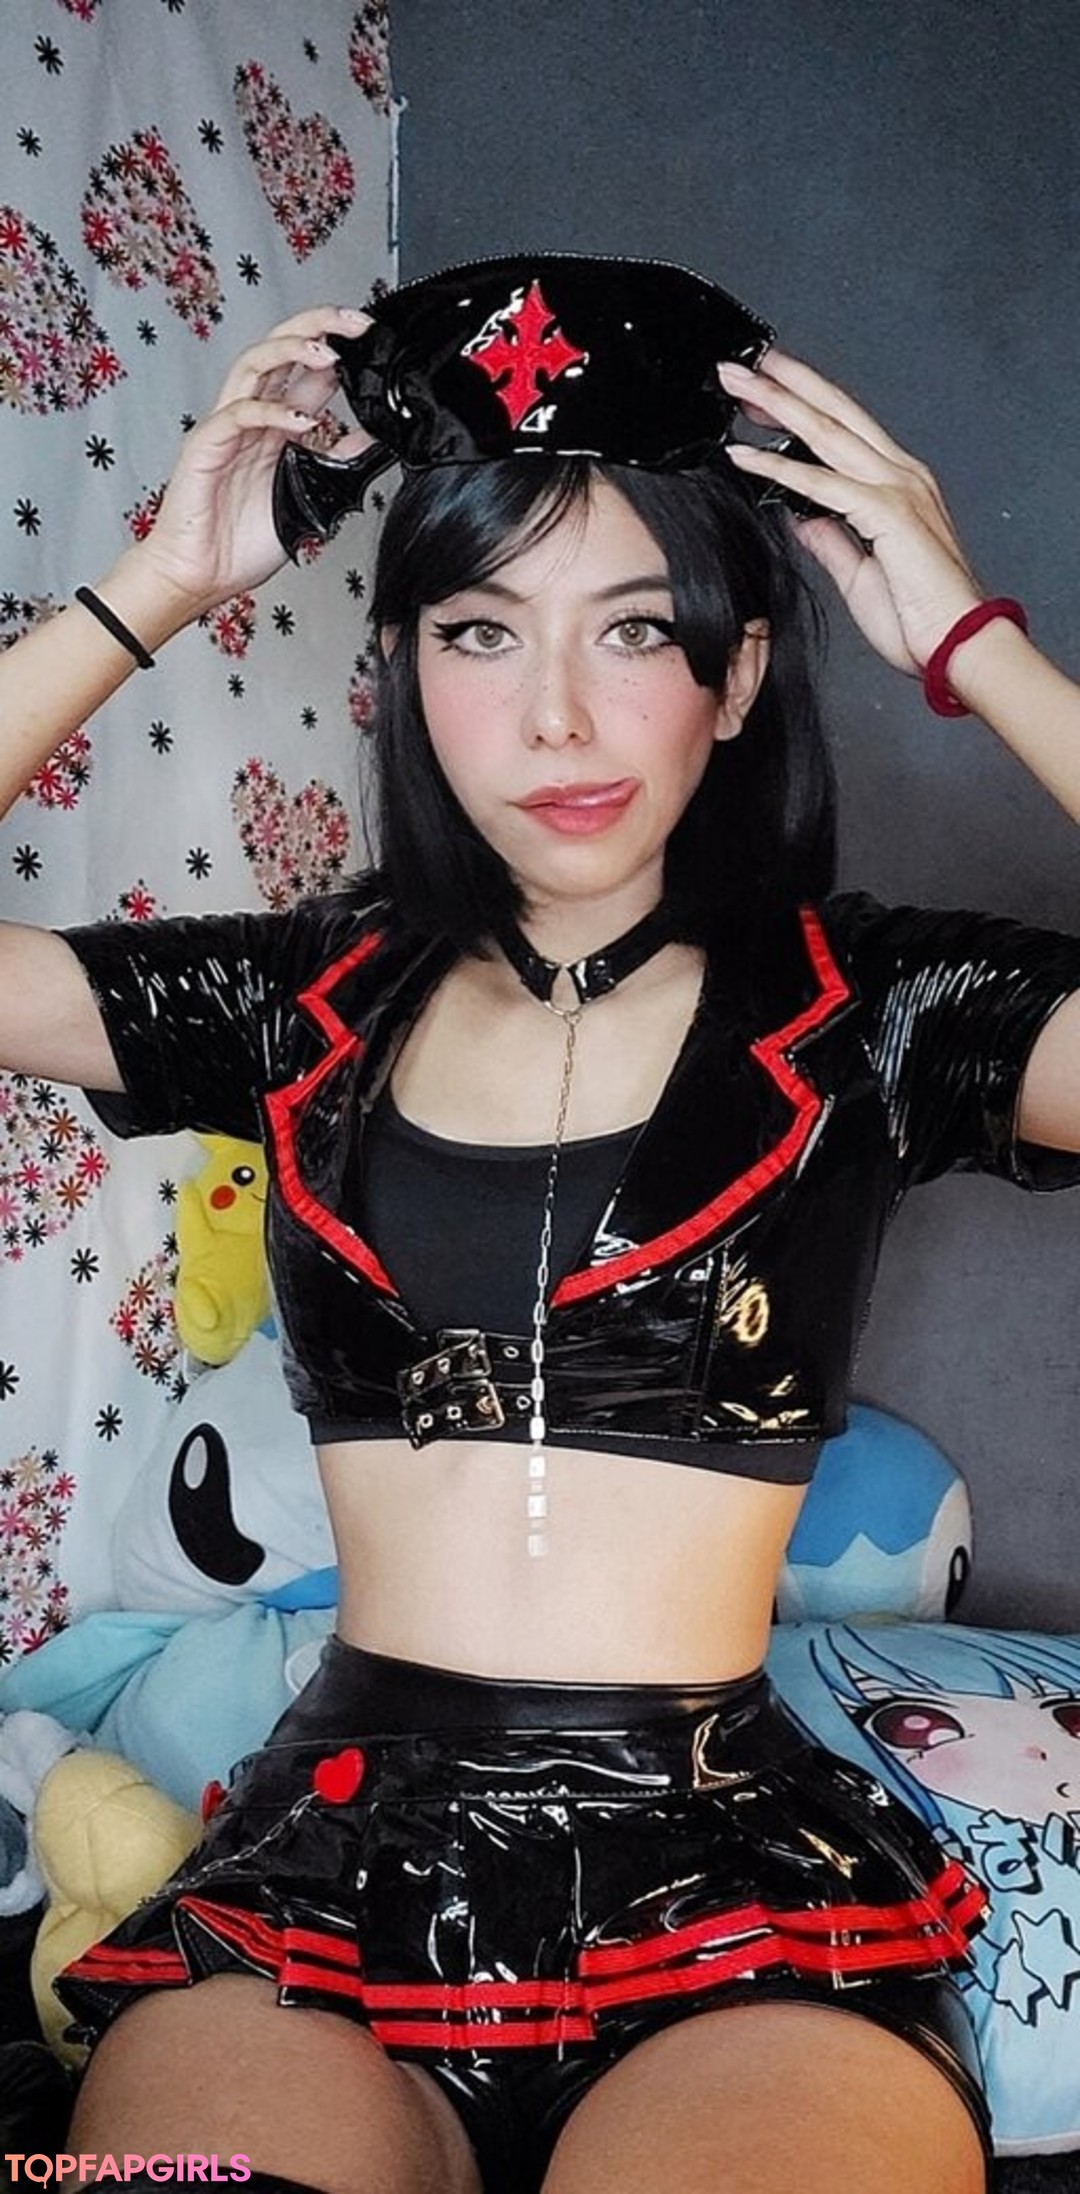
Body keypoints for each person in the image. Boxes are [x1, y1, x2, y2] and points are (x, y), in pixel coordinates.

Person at [2, 254, 1080, 2194]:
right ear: (407, 666)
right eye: (482, 630)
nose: (558, 713)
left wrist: (972, 640)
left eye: (636, 627)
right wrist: (154, 583)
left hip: (738, 1895)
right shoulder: (302, 998)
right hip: (321, 1879)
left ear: (737, 675)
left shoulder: (873, 1007)